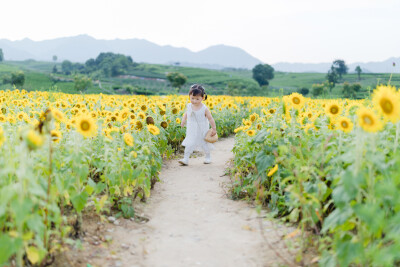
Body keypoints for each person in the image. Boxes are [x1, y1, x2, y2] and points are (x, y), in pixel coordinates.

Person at [179, 84, 217, 165]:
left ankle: (208, 157)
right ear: (189, 96)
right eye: (192, 98)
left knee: (204, 143)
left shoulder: (204, 108)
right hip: (191, 128)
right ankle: (185, 159)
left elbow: (210, 118)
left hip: (202, 129)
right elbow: (186, 113)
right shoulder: (189, 105)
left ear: (202, 98)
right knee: (189, 143)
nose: (194, 101)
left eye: (197, 99)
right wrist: (183, 121)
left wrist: (214, 128)